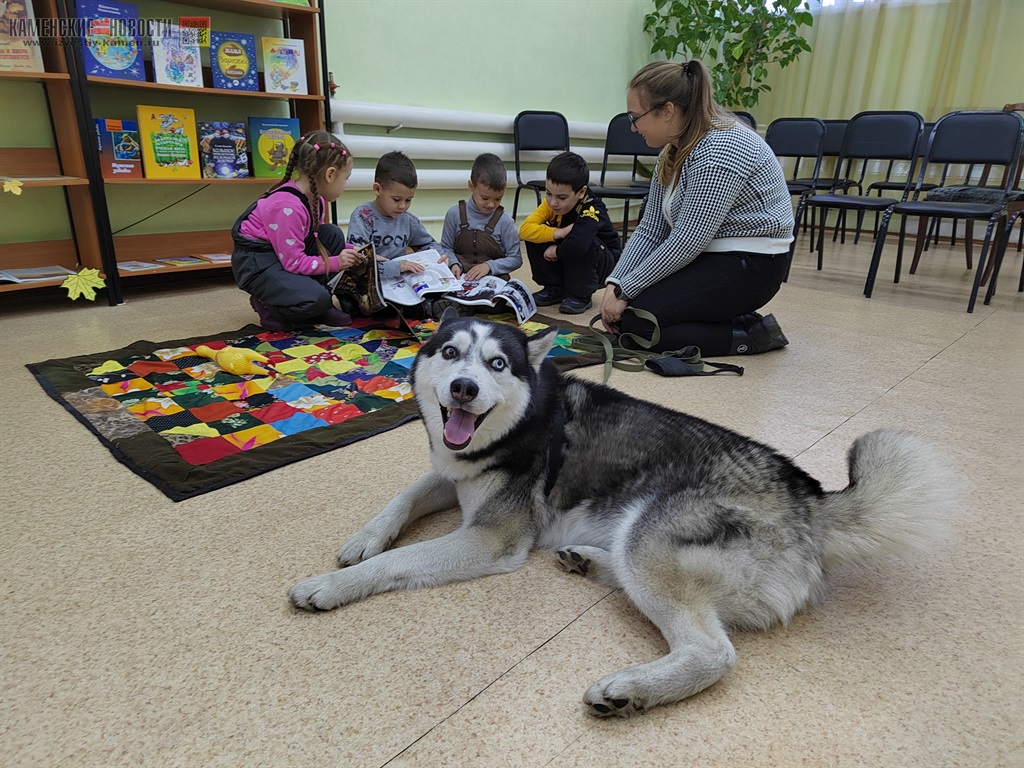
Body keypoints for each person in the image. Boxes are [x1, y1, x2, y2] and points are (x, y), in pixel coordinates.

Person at [600, 59, 793, 356]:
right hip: (715, 256)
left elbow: (688, 240)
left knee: (640, 324)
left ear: (667, 111)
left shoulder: (720, 148)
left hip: (754, 264)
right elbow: (651, 230)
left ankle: (749, 336)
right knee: (632, 312)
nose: (633, 127)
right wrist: (616, 284)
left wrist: (627, 290)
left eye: (635, 117)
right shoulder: (672, 150)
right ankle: (724, 318)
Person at [231, 130, 359, 331]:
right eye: (346, 178)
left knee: (332, 234)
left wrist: (358, 250)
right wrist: (336, 262)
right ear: (330, 174)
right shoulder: (287, 208)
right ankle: (270, 307)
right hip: (258, 263)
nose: (346, 185)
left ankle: (320, 305)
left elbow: (314, 237)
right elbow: (294, 262)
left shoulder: (316, 199)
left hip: (282, 254)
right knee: (314, 300)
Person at [519, 151, 622, 315]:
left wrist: (556, 250)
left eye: (561, 197)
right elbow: (525, 231)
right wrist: (558, 233)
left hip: (604, 263)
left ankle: (580, 295)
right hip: (572, 251)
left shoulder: (592, 207)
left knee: (583, 242)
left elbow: (578, 244)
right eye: (548, 193)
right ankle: (555, 287)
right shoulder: (551, 203)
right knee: (537, 235)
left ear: (581, 192)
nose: (553, 202)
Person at [347, 151, 454, 284]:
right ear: (377, 189)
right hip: (370, 283)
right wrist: (397, 267)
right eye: (396, 199)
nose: (403, 206)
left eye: (408, 200)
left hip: (401, 282)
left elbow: (428, 243)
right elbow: (357, 262)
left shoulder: (408, 220)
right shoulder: (362, 217)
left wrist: (440, 255)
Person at [440, 153, 522, 281]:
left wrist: (489, 266)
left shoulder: (505, 221)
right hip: (459, 274)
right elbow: (446, 248)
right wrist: (453, 263)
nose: (491, 204)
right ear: (471, 186)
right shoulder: (454, 214)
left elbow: (515, 259)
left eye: (498, 199)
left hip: (491, 276)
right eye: (484, 198)